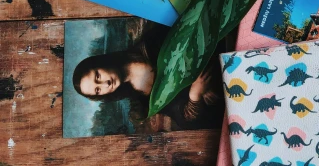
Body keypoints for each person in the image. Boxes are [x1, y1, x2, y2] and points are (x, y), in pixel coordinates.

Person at [72, 24, 222, 130]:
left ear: (101, 63)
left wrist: (205, 75)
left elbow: (195, 40)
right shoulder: (144, 100)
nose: (105, 84)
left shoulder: (151, 42)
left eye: (98, 75)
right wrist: (196, 93)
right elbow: (186, 119)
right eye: (98, 90)